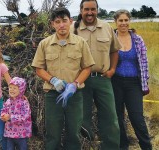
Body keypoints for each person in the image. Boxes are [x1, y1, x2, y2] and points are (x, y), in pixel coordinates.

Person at [32, 7, 95, 150]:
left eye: (64, 21)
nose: (61, 25)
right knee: (53, 132)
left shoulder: (80, 43)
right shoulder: (45, 44)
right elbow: (39, 69)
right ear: (52, 24)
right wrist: (53, 80)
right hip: (52, 94)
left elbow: (87, 68)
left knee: (74, 131)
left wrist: (75, 84)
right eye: (57, 22)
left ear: (70, 21)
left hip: (75, 94)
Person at [71, 0, 121, 149]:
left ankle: (110, 147)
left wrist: (112, 70)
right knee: (82, 117)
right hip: (81, 81)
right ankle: (87, 145)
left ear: (97, 10)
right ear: (81, 10)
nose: (90, 12)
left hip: (103, 79)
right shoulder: (73, 29)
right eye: (86, 9)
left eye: (93, 9)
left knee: (110, 116)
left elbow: (114, 50)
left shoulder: (106, 27)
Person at [111, 9, 152, 150]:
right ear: (115, 22)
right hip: (115, 83)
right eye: (120, 20)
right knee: (117, 118)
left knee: (137, 119)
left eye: (126, 20)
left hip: (134, 83)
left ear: (129, 21)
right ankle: (123, 146)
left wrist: (145, 83)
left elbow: (144, 63)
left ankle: (147, 147)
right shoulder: (111, 39)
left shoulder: (137, 39)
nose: (123, 23)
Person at [0, 77, 32, 150]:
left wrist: (10, 117)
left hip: (21, 134)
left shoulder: (24, 102)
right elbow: (3, 110)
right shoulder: (8, 101)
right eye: (10, 87)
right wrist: (3, 116)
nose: (11, 90)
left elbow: (25, 116)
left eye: (14, 88)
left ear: (21, 90)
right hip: (9, 132)